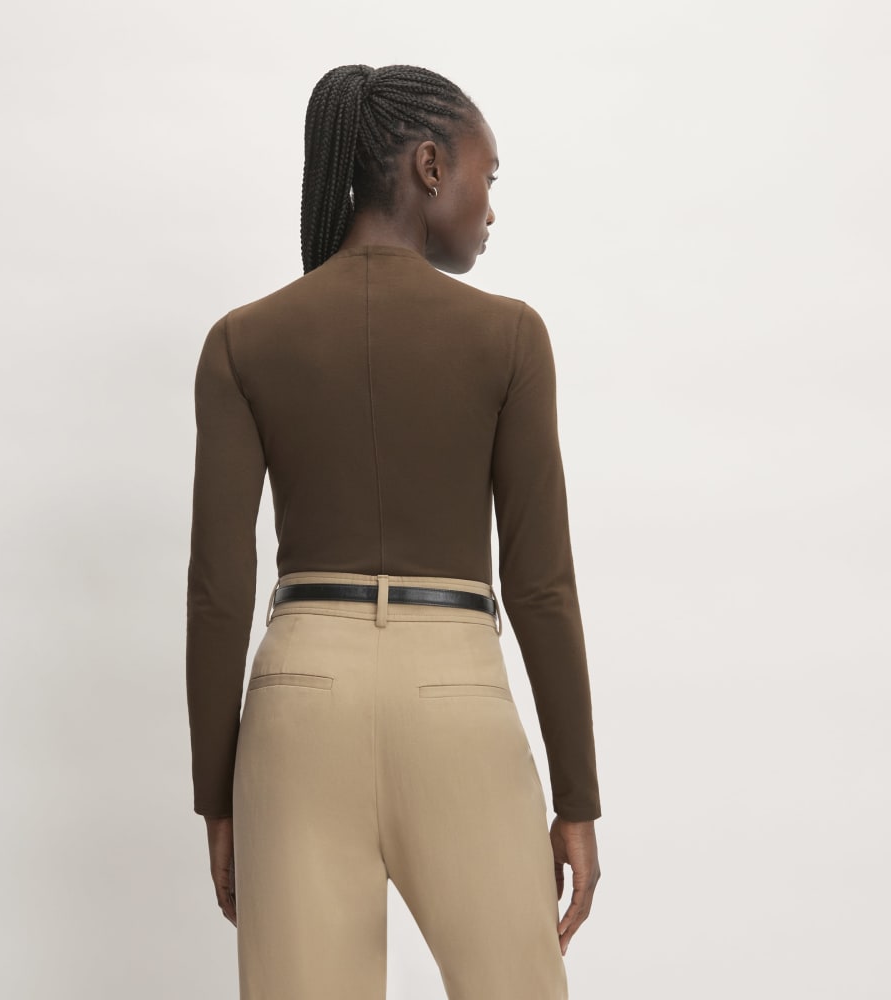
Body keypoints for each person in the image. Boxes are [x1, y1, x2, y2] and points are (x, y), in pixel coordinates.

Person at [186, 63, 602, 999]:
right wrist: (577, 799)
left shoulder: (243, 342)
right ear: (428, 167)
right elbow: (540, 585)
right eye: (486, 177)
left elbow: (217, 589)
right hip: (455, 696)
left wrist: (218, 798)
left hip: (299, 704)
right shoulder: (509, 338)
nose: (490, 208)